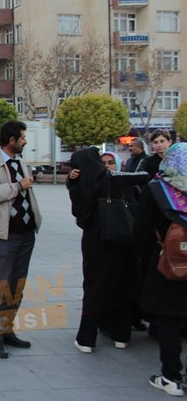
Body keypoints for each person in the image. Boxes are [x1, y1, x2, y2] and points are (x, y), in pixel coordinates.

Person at [67, 147, 149, 354]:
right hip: (120, 237)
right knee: (120, 284)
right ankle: (121, 336)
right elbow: (144, 175)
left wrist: (72, 179)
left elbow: (78, 211)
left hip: (94, 241)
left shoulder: (78, 184)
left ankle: (87, 338)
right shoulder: (112, 177)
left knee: (94, 286)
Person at [0, 120, 42, 358]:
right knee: (2, 285)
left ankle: (7, 330)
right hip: (3, 234)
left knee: (17, 285)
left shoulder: (20, 162)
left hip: (26, 232)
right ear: (11, 140)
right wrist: (17, 186)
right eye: (22, 137)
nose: (25, 141)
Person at [133, 142, 187, 396]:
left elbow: (141, 231)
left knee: (169, 320)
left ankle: (171, 377)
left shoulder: (157, 189)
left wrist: (147, 259)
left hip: (167, 263)